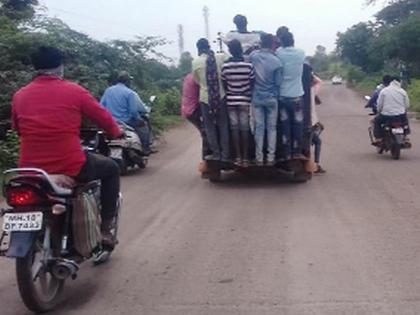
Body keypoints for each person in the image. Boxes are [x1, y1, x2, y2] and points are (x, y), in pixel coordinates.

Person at [11, 46, 123, 249]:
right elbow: (102, 117)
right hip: (70, 164)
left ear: (35, 68)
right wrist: (116, 132)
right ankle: (106, 229)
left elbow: (18, 128)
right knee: (111, 169)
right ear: (60, 67)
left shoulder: (20, 95)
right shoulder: (74, 91)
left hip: (29, 169)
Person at [192, 38, 230, 162]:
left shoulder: (195, 62)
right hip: (221, 96)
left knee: (209, 127)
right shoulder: (220, 58)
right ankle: (226, 155)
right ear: (209, 47)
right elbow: (229, 58)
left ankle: (216, 154)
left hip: (206, 98)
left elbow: (197, 81)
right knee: (223, 125)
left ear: (198, 49)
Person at [249, 33, 282, 166]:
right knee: (272, 128)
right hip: (272, 98)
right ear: (272, 44)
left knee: (259, 128)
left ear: (261, 43)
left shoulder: (254, 57)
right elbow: (278, 82)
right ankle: (270, 158)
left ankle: (258, 158)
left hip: (257, 98)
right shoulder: (277, 61)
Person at [221, 39, 255, 167]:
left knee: (234, 129)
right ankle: (246, 158)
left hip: (231, 101)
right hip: (245, 101)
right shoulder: (248, 66)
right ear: (240, 49)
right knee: (245, 129)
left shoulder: (225, 67)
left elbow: (224, 84)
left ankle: (238, 157)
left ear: (230, 51)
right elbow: (252, 83)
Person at [101, 71, 151, 154]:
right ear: (127, 81)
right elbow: (133, 112)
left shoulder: (108, 90)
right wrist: (139, 120)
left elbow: (101, 106)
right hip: (126, 121)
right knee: (144, 126)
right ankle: (145, 148)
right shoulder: (130, 93)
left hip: (111, 121)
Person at [276, 31, 306, 160]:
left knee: (285, 125)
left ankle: (287, 152)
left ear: (281, 42)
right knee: (298, 125)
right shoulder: (301, 53)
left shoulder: (278, 53)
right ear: (293, 41)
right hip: (297, 96)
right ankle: (297, 151)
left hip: (282, 96)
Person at [181, 72, 210, 159]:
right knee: (206, 132)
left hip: (188, 109)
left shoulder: (189, 76)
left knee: (205, 131)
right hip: (193, 109)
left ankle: (206, 158)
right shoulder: (196, 79)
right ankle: (206, 158)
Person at [373, 76, 411, 143]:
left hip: (386, 115)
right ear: (399, 82)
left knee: (376, 121)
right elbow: (407, 105)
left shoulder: (384, 91)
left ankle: (378, 138)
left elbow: (379, 105)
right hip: (400, 115)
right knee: (405, 122)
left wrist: (379, 111)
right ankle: (406, 137)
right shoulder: (403, 92)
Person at [310, 75, 326, 174]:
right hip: (310, 123)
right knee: (318, 142)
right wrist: (311, 73)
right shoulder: (311, 90)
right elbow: (318, 81)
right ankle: (316, 164)